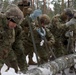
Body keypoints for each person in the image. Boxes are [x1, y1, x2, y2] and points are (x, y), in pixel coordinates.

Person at [0, 4, 24, 74]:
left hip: (6, 50)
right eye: (13, 21)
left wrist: (24, 68)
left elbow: (18, 47)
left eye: (16, 23)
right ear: (8, 17)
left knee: (14, 69)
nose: (14, 24)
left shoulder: (16, 29)